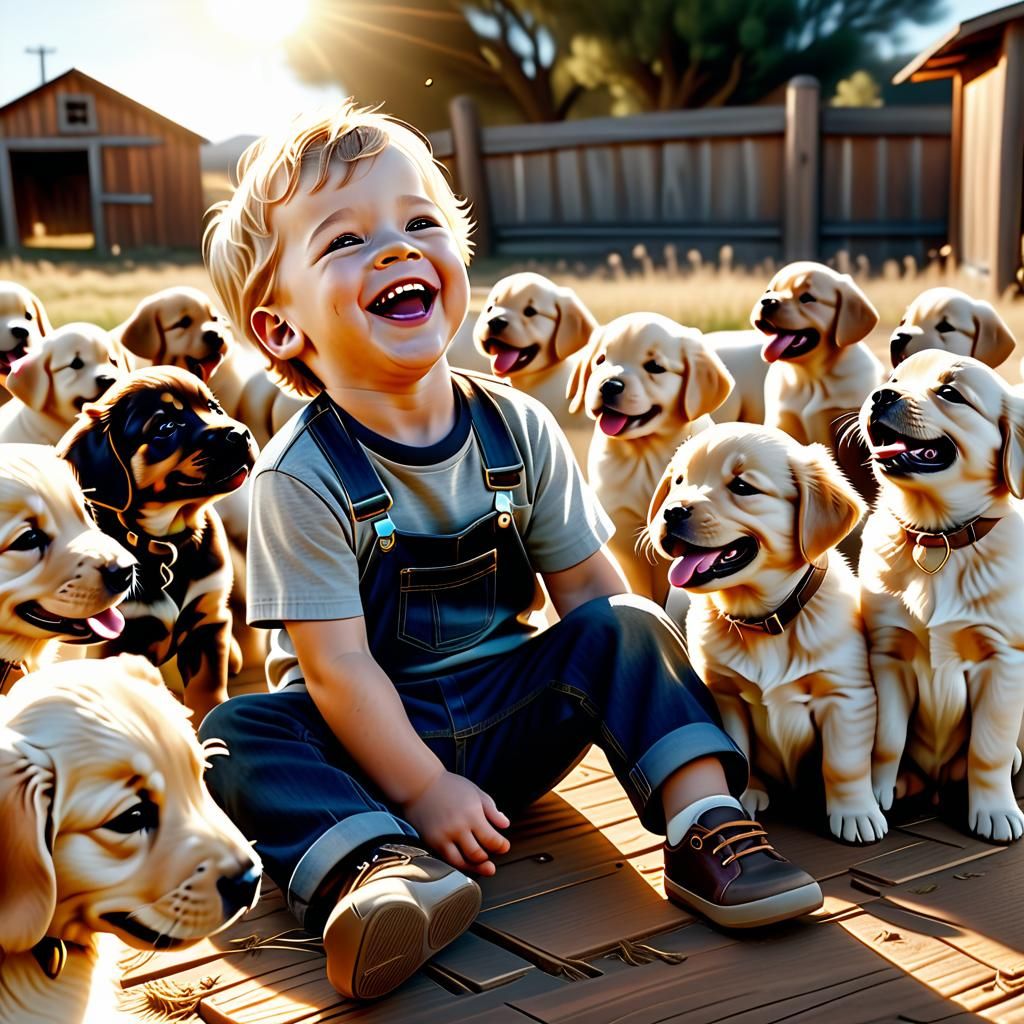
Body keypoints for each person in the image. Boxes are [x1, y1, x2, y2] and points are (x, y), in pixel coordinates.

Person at [199, 100, 823, 1002]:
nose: (397, 248)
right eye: (344, 241)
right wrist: (421, 792)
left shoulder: (515, 426)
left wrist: (641, 683)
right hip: (364, 741)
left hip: (509, 712)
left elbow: (588, 593)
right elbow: (334, 669)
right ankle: (379, 872)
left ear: (456, 262)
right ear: (281, 329)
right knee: (235, 738)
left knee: (627, 620)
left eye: (420, 224)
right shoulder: (297, 476)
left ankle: (704, 824)